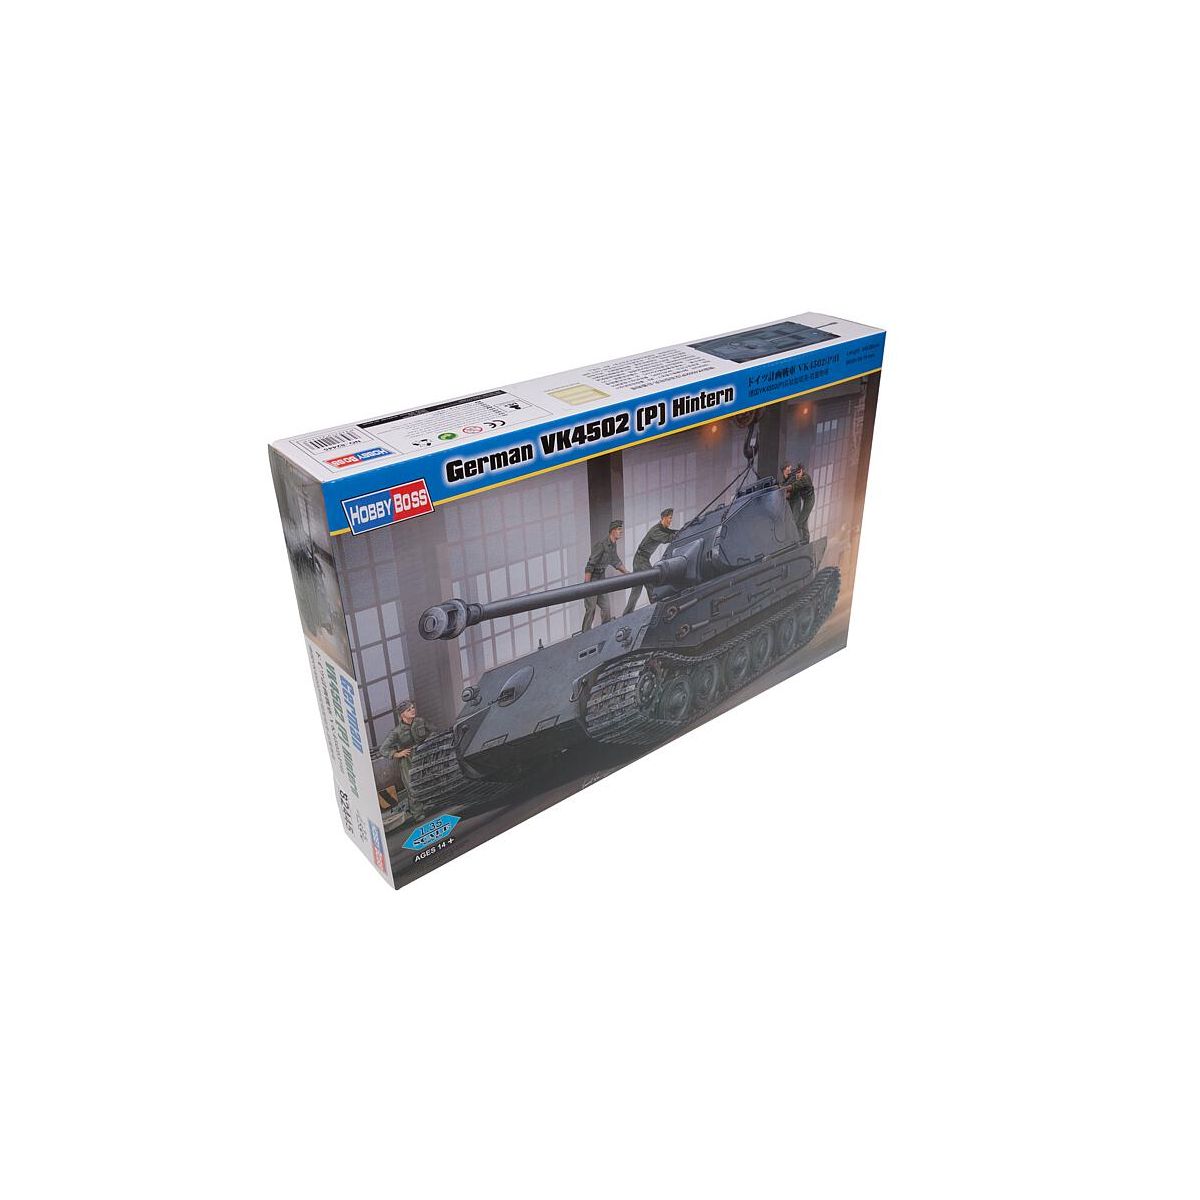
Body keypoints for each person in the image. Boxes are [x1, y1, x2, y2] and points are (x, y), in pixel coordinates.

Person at [375, 699, 430, 815]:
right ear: (402, 714)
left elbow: (434, 731)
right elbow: (383, 749)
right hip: (408, 760)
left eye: (413, 708)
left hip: (424, 754)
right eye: (408, 710)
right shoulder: (396, 732)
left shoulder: (420, 722)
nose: (412, 710)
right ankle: (418, 813)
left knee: (429, 779)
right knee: (412, 786)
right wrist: (398, 754)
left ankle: (432, 804)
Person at [623, 508, 678, 615]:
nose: (671, 520)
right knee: (651, 584)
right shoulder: (656, 531)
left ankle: (626, 614)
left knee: (636, 590)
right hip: (641, 560)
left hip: (641, 559)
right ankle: (657, 611)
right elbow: (667, 538)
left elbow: (670, 532)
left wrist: (680, 530)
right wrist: (678, 534)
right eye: (669, 518)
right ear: (663, 518)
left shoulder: (661, 528)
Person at [580, 520, 628, 630]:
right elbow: (590, 564)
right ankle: (585, 634)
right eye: (619, 529)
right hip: (592, 580)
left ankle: (605, 630)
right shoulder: (601, 545)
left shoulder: (612, 545)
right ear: (612, 531)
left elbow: (615, 561)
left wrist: (627, 573)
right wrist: (586, 585)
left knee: (606, 608)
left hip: (601, 579)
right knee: (591, 609)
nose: (621, 532)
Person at [789, 462, 816, 544]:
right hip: (805, 500)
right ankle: (805, 539)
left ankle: (802, 540)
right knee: (804, 520)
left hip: (809, 501)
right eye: (797, 473)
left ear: (802, 471)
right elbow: (792, 480)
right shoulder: (797, 475)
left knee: (799, 523)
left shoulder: (805, 478)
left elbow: (794, 486)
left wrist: (783, 488)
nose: (797, 475)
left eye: (799, 472)